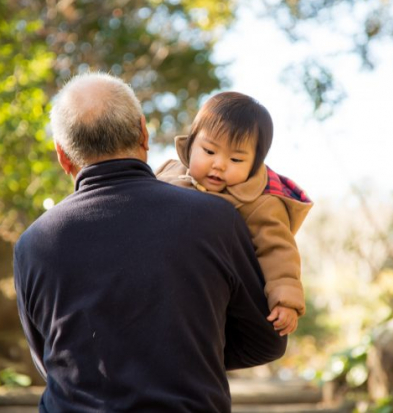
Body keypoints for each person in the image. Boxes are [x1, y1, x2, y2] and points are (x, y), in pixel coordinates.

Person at [13, 73, 287, 413]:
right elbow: (267, 341)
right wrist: (184, 352)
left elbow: (49, 360)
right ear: (144, 132)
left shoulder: (32, 245)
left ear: (62, 156)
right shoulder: (217, 219)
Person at [156, 92, 313, 336]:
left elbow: (278, 251)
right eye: (209, 151)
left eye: (236, 159)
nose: (219, 164)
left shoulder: (261, 203)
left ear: (255, 164)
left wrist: (285, 300)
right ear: (191, 143)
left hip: (212, 297)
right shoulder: (168, 173)